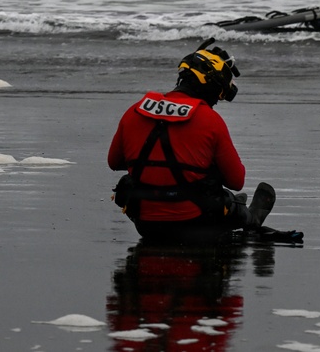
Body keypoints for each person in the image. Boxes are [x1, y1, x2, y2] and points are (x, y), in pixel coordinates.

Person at [107, 39, 277, 244]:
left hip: (146, 224)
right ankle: (251, 217)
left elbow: (114, 162)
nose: (217, 100)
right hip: (196, 224)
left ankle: (233, 204)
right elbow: (236, 180)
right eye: (220, 92)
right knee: (219, 191)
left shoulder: (135, 111)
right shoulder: (209, 119)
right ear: (210, 84)